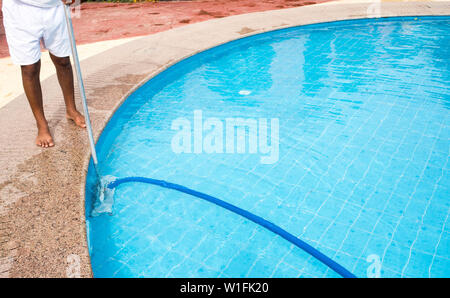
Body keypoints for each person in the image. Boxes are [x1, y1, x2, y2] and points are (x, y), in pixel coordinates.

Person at [2, 0, 86, 148]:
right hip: (20, 10)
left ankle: (71, 109)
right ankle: (41, 124)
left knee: (62, 60)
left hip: (54, 7)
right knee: (29, 67)